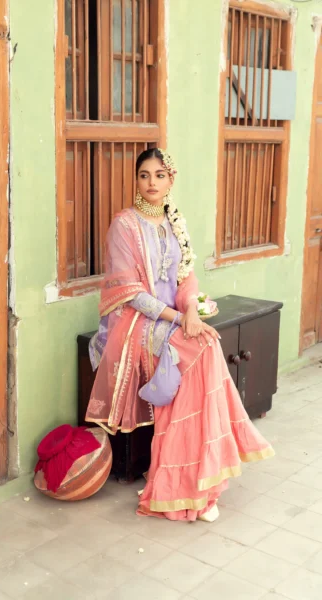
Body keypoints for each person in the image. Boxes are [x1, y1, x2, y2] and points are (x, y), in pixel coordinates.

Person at [86, 148, 274, 523]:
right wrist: (177, 318)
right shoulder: (124, 225)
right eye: (144, 175)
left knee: (206, 343)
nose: (151, 182)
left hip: (174, 316)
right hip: (137, 323)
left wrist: (190, 310)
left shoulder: (175, 223)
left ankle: (197, 478)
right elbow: (130, 293)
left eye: (159, 175)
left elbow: (185, 278)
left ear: (171, 180)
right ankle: (181, 483)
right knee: (197, 352)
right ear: (136, 180)